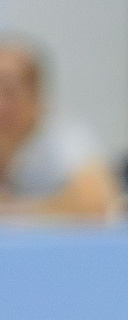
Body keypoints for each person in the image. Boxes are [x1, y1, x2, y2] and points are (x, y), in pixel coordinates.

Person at [0, 35, 121, 222]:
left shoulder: (64, 138)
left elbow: (96, 202)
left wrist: (13, 212)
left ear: (36, 96)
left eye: (8, 90)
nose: (2, 104)